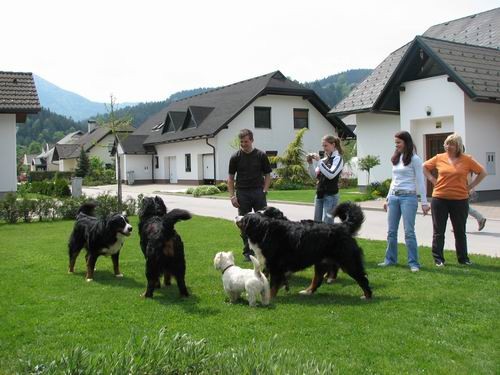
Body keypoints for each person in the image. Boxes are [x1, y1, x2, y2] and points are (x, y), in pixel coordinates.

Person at [423, 133, 487, 266]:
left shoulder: (467, 159)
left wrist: (470, 186)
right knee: (438, 231)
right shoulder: (439, 157)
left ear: (458, 146)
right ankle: (438, 259)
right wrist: (432, 179)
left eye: (451, 144)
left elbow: (482, 172)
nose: (448, 146)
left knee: (460, 231)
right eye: (446, 143)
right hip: (439, 199)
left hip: (460, 200)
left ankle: (463, 259)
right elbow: (424, 167)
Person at [378, 131, 430, 272]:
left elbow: (420, 181)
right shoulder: (396, 158)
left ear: (406, 142)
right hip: (394, 197)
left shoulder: (415, 159)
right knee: (391, 231)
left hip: (409, 198)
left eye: (398, 143)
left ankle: (413, 263)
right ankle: (390, 259)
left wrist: (424, 203)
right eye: (395, 143)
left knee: (409, 232)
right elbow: (394, 180)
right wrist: (387, 198)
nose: (396, 145)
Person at [228, 129, 272, 261]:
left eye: (246, 141)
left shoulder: (261, 155)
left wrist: (264, 190)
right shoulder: (235, 157)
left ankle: (262, 250)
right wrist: (232, 196)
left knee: (262, 223)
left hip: (258, 192)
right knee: (244, 224)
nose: (243, 144)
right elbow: (230, 178)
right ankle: (247, 252)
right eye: (241, 142)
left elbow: (268, 175)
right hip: (242, 193)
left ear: (252, 140)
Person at [307, 134, 344, 225]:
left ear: (333, 144)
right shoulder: (323, 160)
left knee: (327, 224)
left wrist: (319, 162)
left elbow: (331, 174)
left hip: (331, 195)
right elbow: (314, 176)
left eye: (326, 145)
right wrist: (310, 163)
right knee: (317, 223)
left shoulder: (338, 159)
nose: (324, 148)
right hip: (320, 194)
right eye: (323, 146)